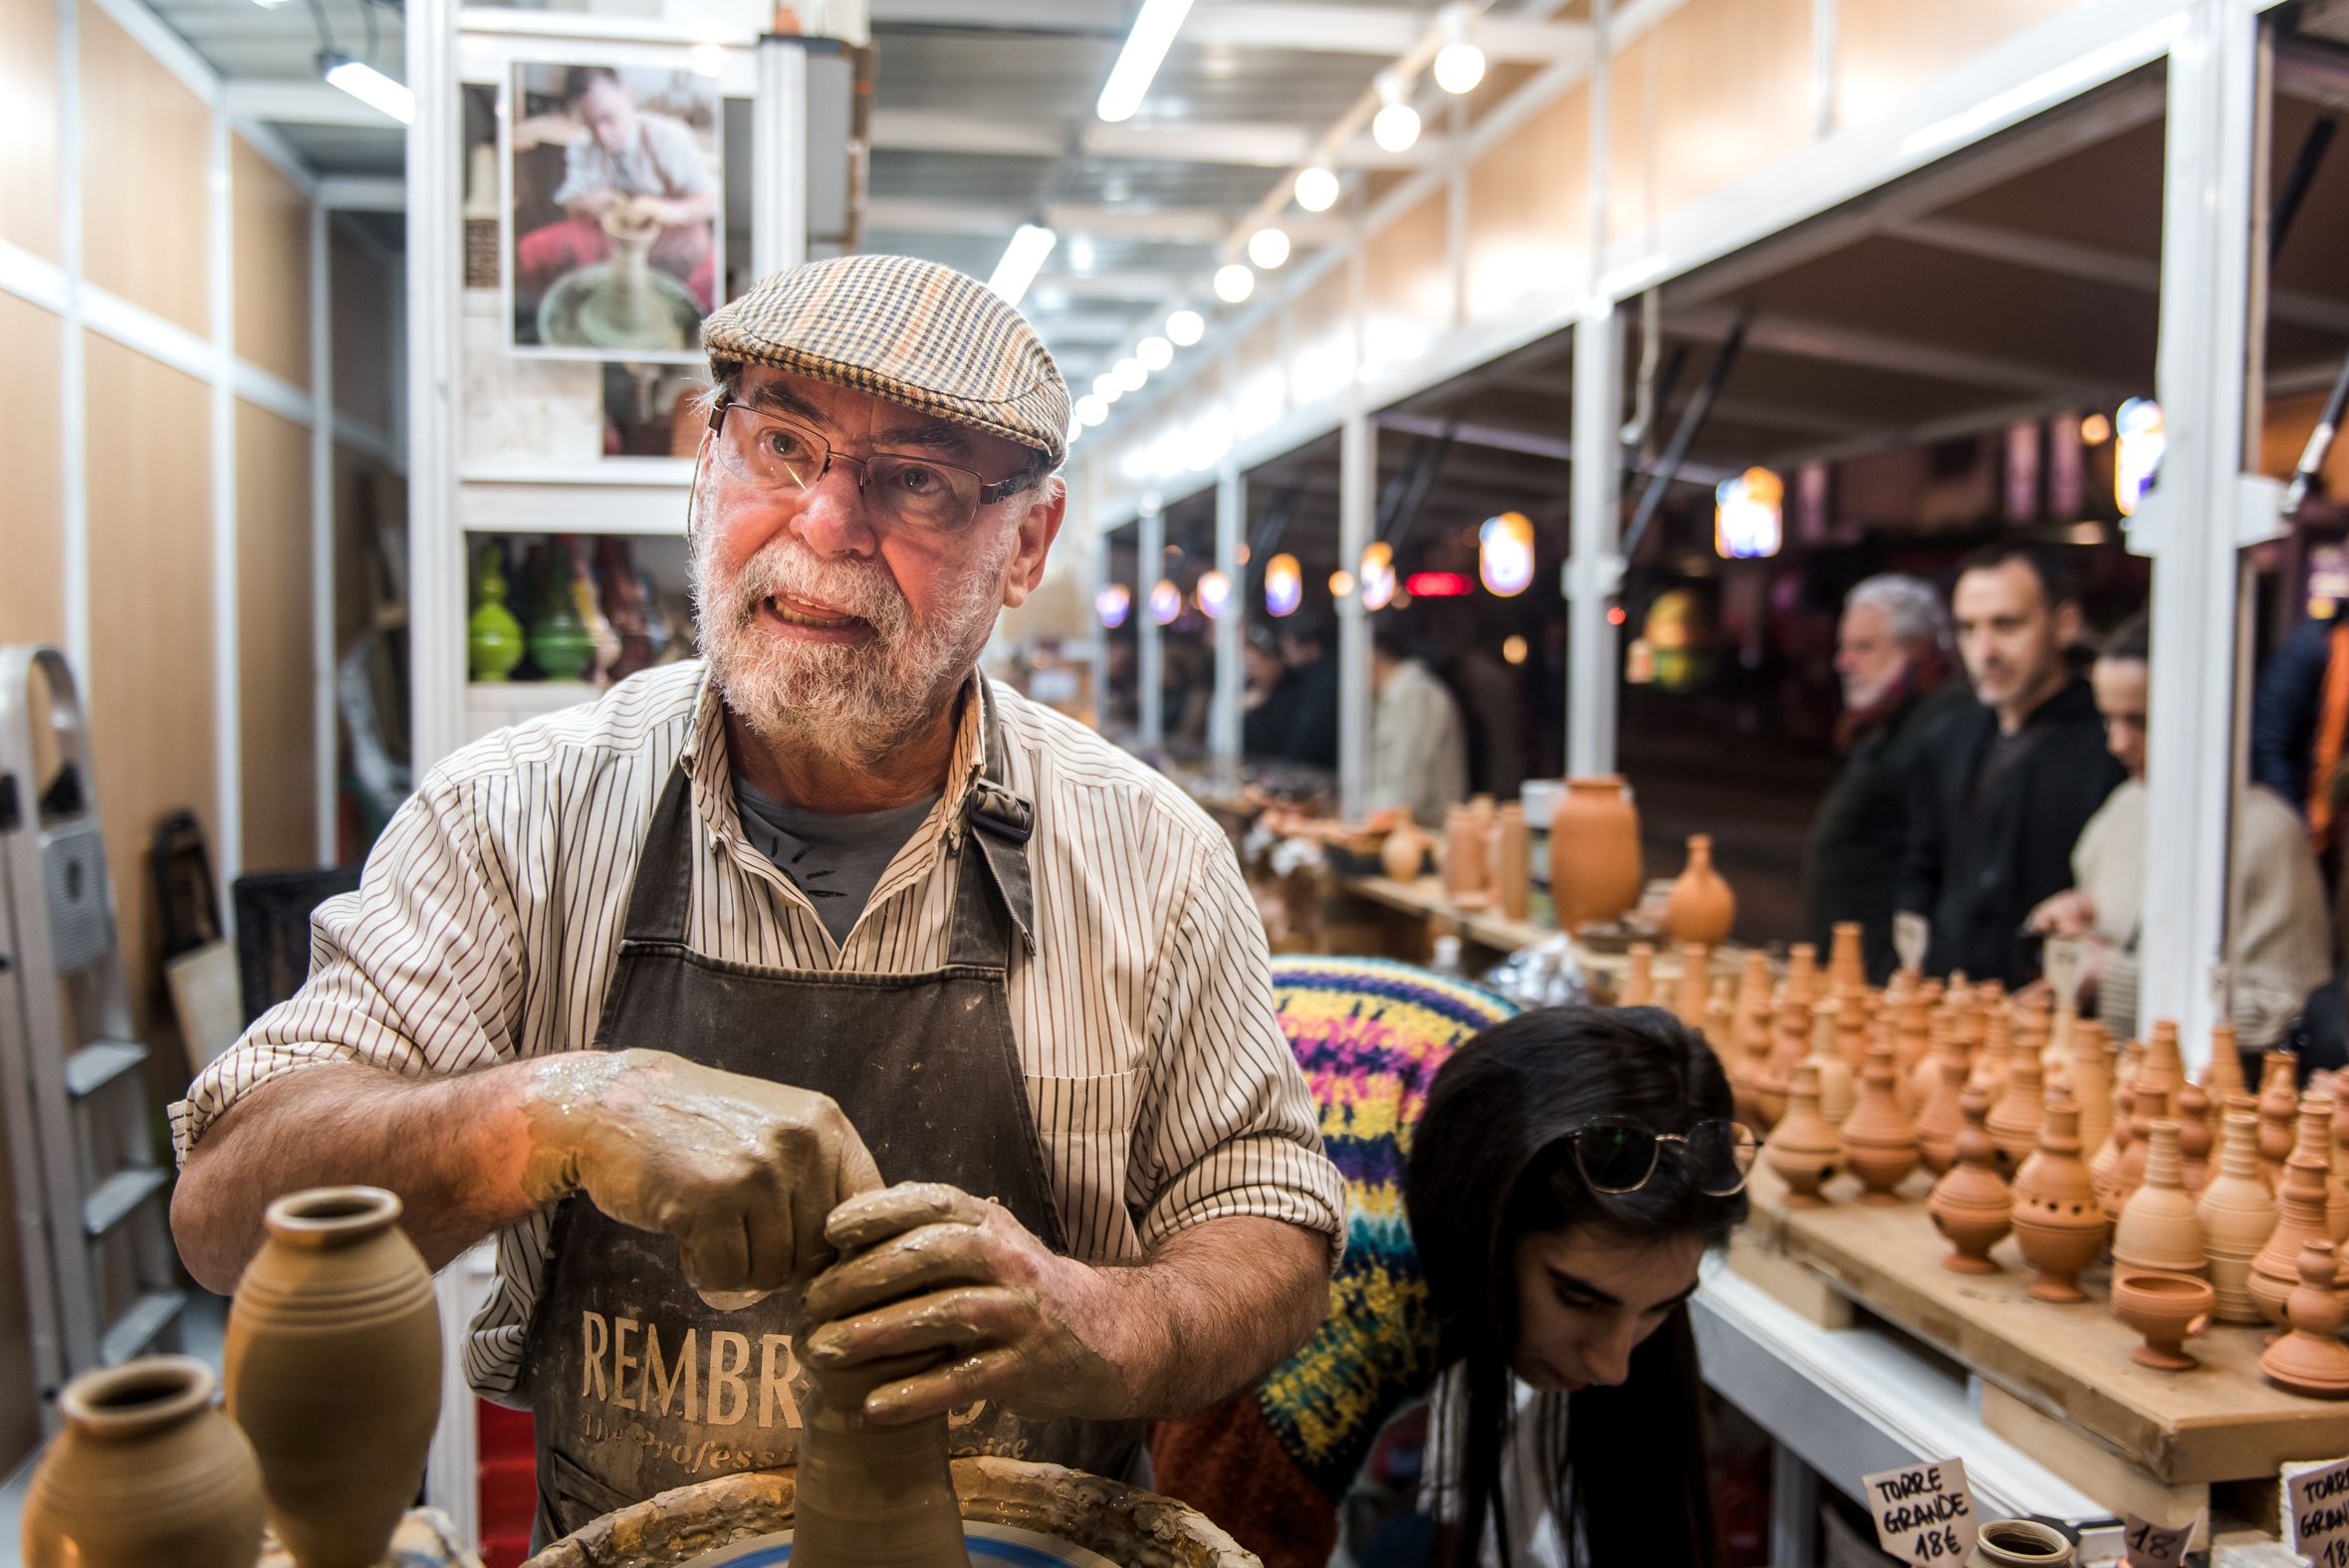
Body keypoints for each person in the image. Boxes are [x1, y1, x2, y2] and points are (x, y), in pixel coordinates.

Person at [169, 255, 1346, 1542]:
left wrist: (1114, 1323)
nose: (825, 525)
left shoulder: (1148, 856)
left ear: (1027, 544)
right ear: (704, 464)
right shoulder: (516, 813)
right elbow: (230, 1207)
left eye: (916, 481)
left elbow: (1270, 1225)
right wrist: (564, 1107)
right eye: (782, 443)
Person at [1153, 987, 1749, 1568]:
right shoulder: (1341, 1308)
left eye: (1659, 1308)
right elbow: (1205, 1540)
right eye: (1576, 1298)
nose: (1613, 1365)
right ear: (1484, 1228)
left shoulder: (1554, 1092)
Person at [2028, 613, 2329, 1048]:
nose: (2116, 743)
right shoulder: (2123, 806)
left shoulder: (2267, 832)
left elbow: (2288, 1013)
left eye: (2140, 721)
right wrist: (2072, 919)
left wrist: (2112, 976)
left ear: (2198, 713)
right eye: (2107, 719)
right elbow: (2105, 937)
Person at [1898, 544, 2124, 988]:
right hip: (1949, 1003)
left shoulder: (2110, 745)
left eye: (2007, 625)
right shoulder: (1949, 736)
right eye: (1968, 629)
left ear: (2064, 624)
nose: (1985, 649)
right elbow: (1919, 869)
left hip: (2053, 1017)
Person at [1804, 574, 1971, 983]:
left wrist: (1899, 970)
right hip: (1853, 966)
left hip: (1884, 972)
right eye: (1843, 647)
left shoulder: (1941, 726)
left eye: (1863, 647)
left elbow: (1928, 864)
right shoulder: (1888, 722)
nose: (1843, 663)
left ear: (1916, 651)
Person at [518, 67, 721, 312]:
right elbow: (570, 203)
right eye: (592, 124)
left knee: (710, 274)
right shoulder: (583, 147)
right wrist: (586, 202)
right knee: (535, 248)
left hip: (668, 238)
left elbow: (712, 201)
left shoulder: (668, 136)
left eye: (608, 118)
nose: (603, 135)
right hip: (611, 241)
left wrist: (662, 209)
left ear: (626, 95)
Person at [1369, 624, 1471, 828]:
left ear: (1371, 657)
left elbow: (1406, 783)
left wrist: (1370, 823)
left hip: (1423, 834)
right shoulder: (1398, 695)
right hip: (1408, 831)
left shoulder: (1412, 695)